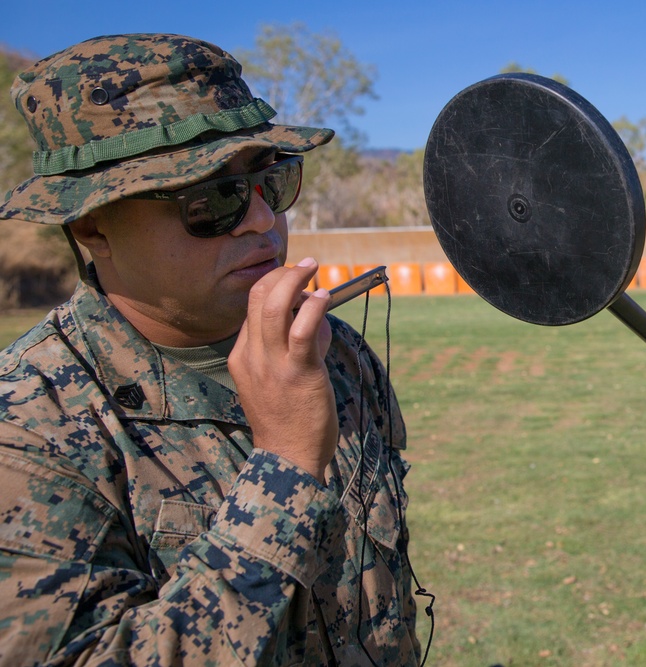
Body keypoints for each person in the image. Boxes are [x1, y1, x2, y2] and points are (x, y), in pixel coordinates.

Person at [0, 34, 422, 665]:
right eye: (211, 198)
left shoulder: (333, 351)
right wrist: (284, 465)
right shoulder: (29, 428)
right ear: (93, 225)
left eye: (271, 180)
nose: (261, 220)